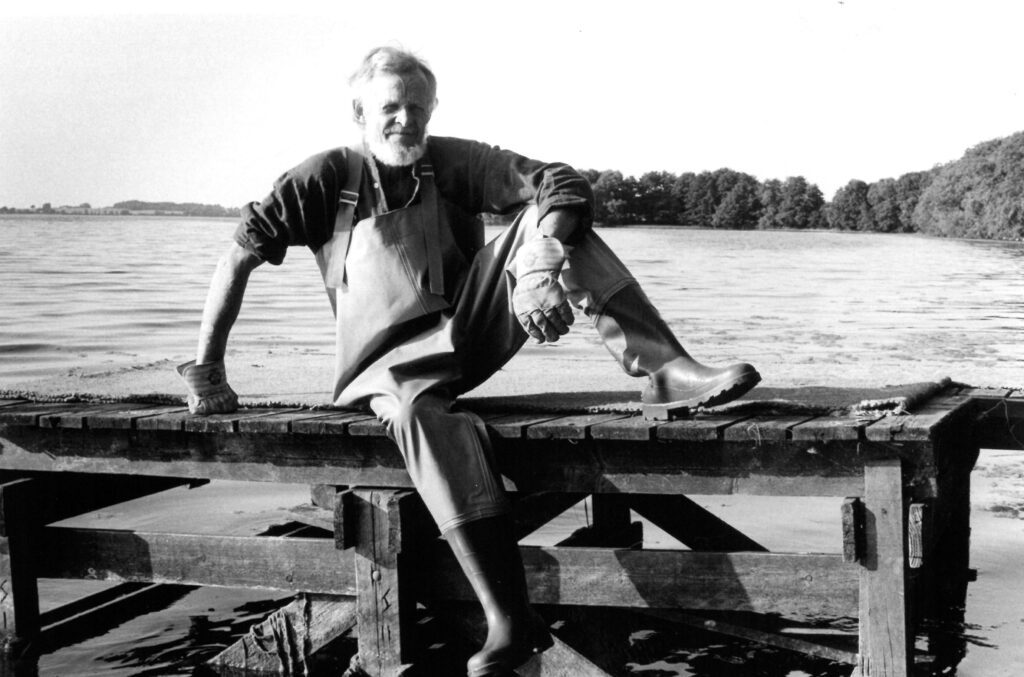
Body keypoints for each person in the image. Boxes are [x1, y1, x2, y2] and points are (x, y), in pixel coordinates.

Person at [178, 46, 760, 677]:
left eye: (418, 108)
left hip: (465, 332)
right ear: (360, 113)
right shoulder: (324, 178)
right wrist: (208, 370)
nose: (406, 120)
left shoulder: (453, 162)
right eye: (390, 108)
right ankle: (507, 617)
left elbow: (562, 180)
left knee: (557, 219)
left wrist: (538, 260)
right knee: (420, 420)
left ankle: (663, 369)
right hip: (386, 368)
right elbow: (238, 256)